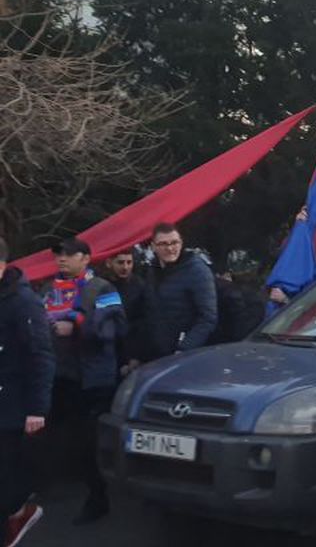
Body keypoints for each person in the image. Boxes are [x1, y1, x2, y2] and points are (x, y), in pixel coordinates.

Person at [43, 238, 125, 524]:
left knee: (86, 440)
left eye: (69, 254)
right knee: (57, 435)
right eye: (58, 255)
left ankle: (98, 498)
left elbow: (114, 328)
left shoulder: (102, 288)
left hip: (92, 378)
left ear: (86, 258)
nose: (62, 259)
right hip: (59, 374)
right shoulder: (49, 289)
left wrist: (77, 325)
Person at [0, 236, 55, 547]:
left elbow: (40, 356)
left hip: (12, 403)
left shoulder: (23, 302)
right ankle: (19, 512)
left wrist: (37, 408)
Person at [143, 223, 217, 360]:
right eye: (163, 244)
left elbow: (208, 318)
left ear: (181, 243)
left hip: (186, 356)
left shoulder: (197, 271)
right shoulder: (152, 270)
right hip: (155, 354)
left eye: (174, 243)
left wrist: (184, 350)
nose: (170, 248)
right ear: (153, 246)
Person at [106, 250, 147, 376]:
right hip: (108, 351)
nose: (125, 267)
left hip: (132, 349)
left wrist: (134, 356)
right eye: (120, 262)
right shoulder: (102, 286)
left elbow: (143, 323)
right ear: (109, 263)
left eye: (129, 262)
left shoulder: (139, 285)